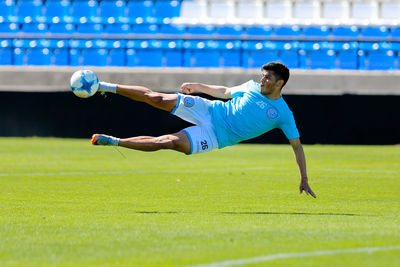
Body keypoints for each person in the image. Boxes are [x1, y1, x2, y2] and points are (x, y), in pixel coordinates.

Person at [91, 62, 316, 198]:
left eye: (267, 77)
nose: (262, 80)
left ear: (280, 83)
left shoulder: (284, 114)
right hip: (209, 110)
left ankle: (114, 141)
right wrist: (198, 87)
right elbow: (226, 91)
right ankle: (102, 86)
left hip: (215, 137)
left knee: (167, 142)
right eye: (262, 75)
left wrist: (304, 178)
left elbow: (297, 147)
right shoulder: (251, 87)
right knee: (156, 98)